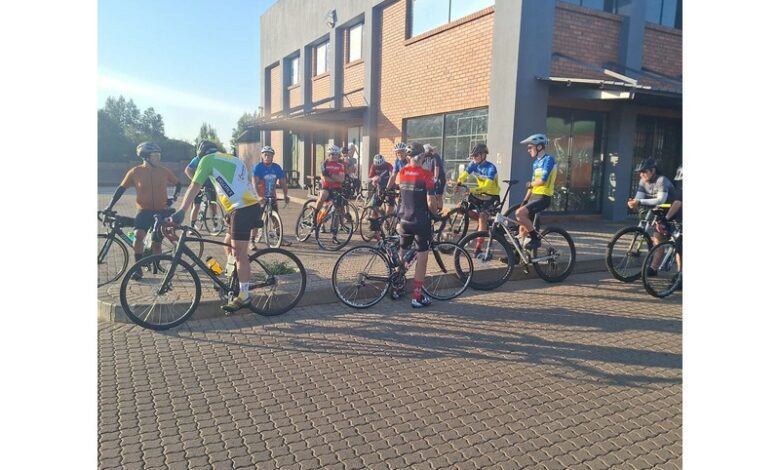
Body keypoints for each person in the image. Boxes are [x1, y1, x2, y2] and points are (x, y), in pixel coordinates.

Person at [171, 140, 262, 313]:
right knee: (228, 242)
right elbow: (236, 186)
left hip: (242, 209)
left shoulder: (207, 160)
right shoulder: (233, 159)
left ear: (201, 154)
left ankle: (244, 295)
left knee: (239, 254)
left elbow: (194, 186)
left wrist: (181, 211)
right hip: (244, 207)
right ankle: (235, 277)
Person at [103, 141, 181, 280]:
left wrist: (173, 198)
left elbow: (178, 184)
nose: (158, 158)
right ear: (146, 157)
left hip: (161, 211)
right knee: (138, 236)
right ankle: (138, 268)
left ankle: (157, 267)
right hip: (143, 211)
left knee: (157, 242)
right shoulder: (135, 172)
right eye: (155, 156)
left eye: (159, 156)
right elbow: (121, 189)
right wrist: (109, 206)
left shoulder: (164, 171)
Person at [395, 142, 436, 308]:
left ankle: (396, 287)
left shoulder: (402, 172)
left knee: (402, 254)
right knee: (422, 258)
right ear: (422, 156)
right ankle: (417, 297)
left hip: (404, 219)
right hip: (420, 221)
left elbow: (400, 191)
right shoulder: (427, 174)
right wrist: (435, 214)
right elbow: (430, 201)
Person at [628, 158, 679, 274]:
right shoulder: (643, 181)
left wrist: (639, 202)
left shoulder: (661, 180)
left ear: (653, 170)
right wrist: (633, 202)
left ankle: (679, 274)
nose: (641, 174)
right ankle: (653, 268)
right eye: (640, 172)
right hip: (660, 212)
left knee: (677, 243)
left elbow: (661, 200)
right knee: (658, 239)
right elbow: (639, 198)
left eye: (644, 171)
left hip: (673, 211)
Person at [455, 143, 501, 254]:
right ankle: (483, 224)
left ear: (483, 155)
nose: (474, 158)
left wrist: (470, 190)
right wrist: (458, 183)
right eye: (473, 156)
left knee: (482, 216)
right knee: (461, 208)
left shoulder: (491, 168)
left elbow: (486, 187)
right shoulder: (473, 164)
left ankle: (479, 247)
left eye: (476, 156)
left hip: (491, 196)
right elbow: (463, 175)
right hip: (479, 195)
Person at [514, 134, 557, 250]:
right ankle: (517, 256)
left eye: (530, 147)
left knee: (519, 214)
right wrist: (525, 201)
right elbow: (532, 185)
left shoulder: (548, 160)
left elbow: (542, 181)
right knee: (522, 228)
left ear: (539, 147)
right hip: (534, 196)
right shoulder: (536, 163)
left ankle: (535, 239)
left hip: (543, 196)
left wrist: (530, 184)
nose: (528, 150)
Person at [251, 145, 290, 250]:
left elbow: (283, 182)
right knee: (257, 219)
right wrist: (258, 196)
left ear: (273, 156)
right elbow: (254, 183)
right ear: (262, 156)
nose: (267, 157)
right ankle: (252, 240)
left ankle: (279, 237)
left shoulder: (277, 168)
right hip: (260, 197)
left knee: (275, 217)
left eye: (269, 155)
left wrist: (285, 195)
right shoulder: (258, 167)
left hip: (272, 196)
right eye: (265, 155)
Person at [312, 144, 347, 242]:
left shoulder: (340, 165)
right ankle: (314, 217)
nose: (334, 156)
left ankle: (334, 235)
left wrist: (330, 175)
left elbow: (341, 179)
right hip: (326, 187)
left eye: (336, 154)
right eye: (332, 154)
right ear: (328, 155)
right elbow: (324, 178)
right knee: (322, 196)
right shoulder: (324, 164)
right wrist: (335, 178)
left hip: (337, 189)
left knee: (336, 211)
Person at [184, 154, 218, 226]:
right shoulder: (197, 159)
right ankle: (192, 225)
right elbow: (187, 170)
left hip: (210, 183)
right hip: (199, 183)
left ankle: (215, 223)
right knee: (197, 205)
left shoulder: (213, 159)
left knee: (213, 204)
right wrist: (195, 180)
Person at [420, 144, 446, 214]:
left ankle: (439, 211)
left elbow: (436, 167)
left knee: (438, 195)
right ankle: (432, 209)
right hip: (431, 178)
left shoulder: (435, 156)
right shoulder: (424, 157)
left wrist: (435, 178)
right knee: (430, 195)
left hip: (440, 178)